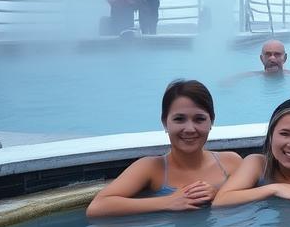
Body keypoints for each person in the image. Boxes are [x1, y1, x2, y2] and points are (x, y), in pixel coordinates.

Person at [86, 79, 242, 217]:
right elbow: (97, 207)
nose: (189, 129)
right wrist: (169, 201)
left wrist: (219, 195)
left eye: (199, 119)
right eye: (179, 119)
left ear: (211, 122)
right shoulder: (151, 168)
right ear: (165, 123)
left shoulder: (230, 162)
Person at [225, 39, 290, 83]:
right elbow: (225, 83)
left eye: (277, 54)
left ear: (285, 58)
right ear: (261, 59)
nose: (272, 58)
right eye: (268, 54)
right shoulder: (247, 77)